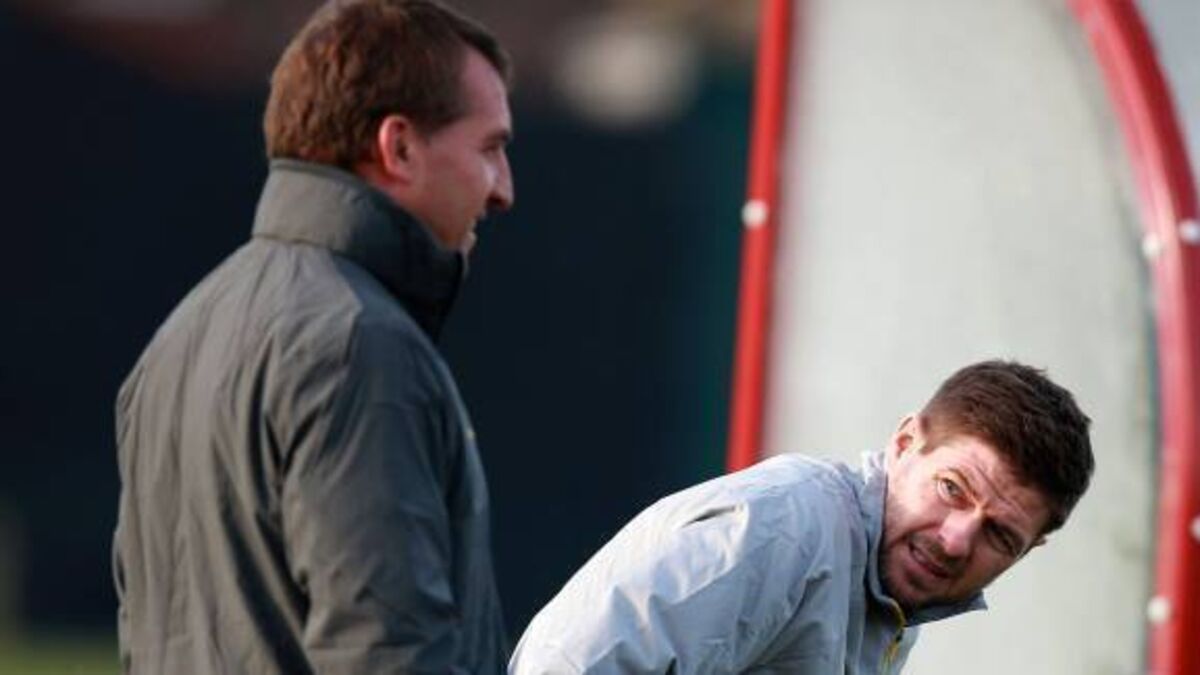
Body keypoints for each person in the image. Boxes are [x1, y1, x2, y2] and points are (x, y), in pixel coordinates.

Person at [112, 1, 514, 672]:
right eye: (491, 148)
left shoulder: (177, 338)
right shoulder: (361, 346)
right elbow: (386, 653)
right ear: (399, 147)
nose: (504, 189)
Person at [510, 360, 1094, 674]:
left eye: (999, 534)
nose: (956, 539)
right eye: (951, 489)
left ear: (1028, 551)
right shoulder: (786, 528)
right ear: (904, 443)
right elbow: (567, 664)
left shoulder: (891, 601)